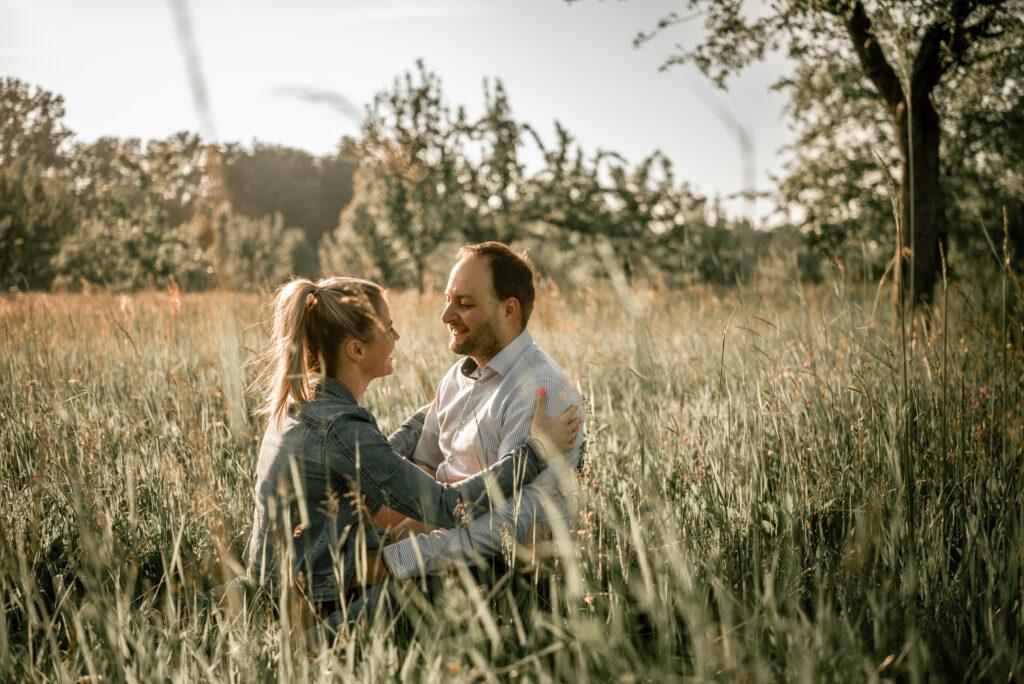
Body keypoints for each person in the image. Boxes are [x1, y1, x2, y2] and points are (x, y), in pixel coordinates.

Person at [243, 276, 579, 625]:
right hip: (312, 595)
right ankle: (318, 644)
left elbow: (376, 460)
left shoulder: (306, 406)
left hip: (276, 582)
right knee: (448, 587)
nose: (396, 337)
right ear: (356, 350)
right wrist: (536, 451)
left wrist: (436, 411)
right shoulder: (341, 427)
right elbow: (449, 506)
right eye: (388, 329)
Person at [379, 242, 585, 581]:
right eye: (448, 300)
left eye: (465, 304)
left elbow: (511, 524)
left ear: (509, 310)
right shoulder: (459, 376)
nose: (446, 316)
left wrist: (398, 558)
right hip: (440, 532)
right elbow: (422, 463)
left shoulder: (538, 389)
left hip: (495, 566)